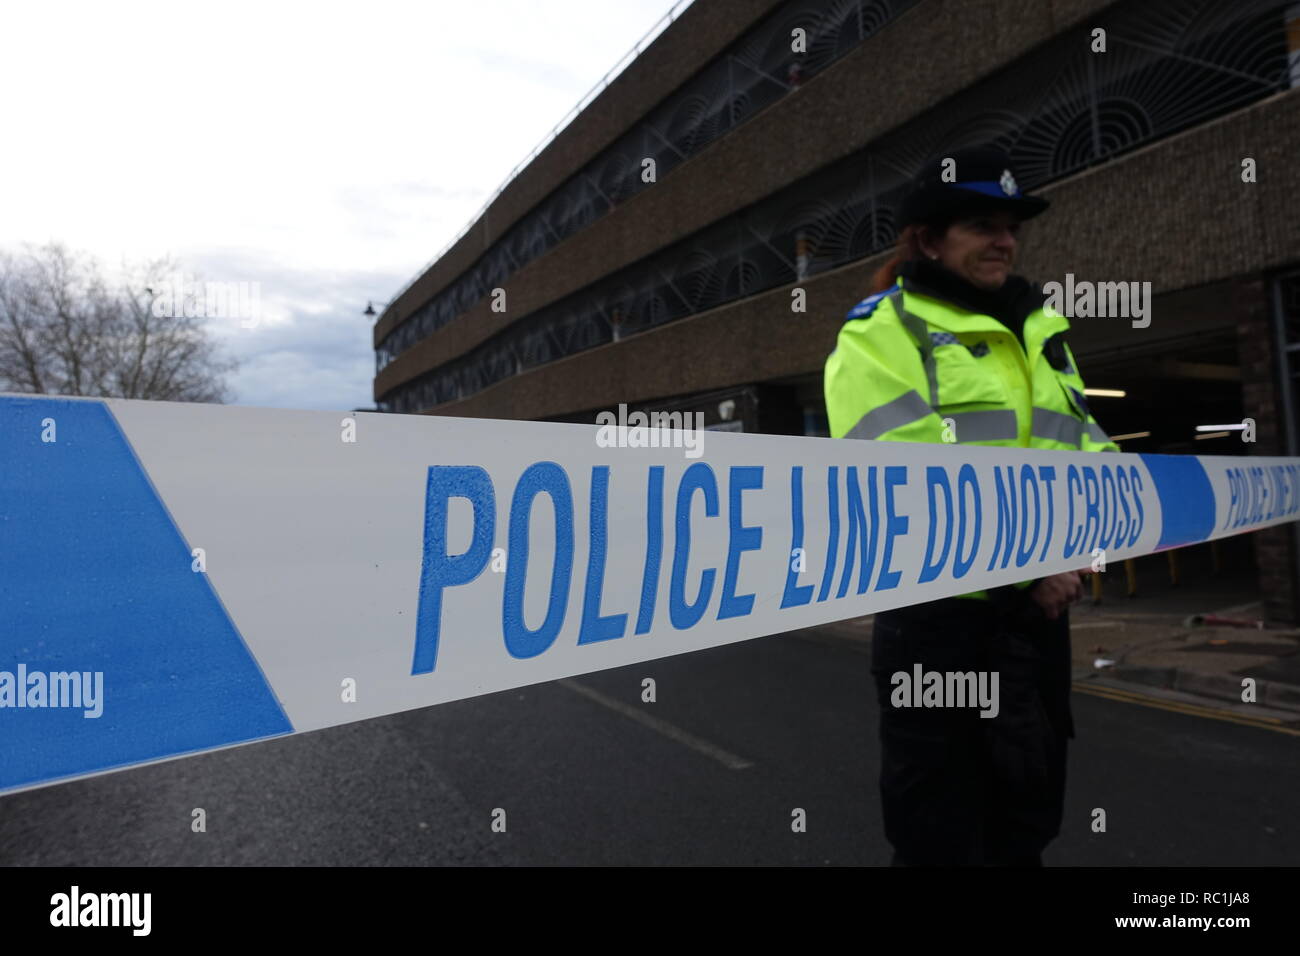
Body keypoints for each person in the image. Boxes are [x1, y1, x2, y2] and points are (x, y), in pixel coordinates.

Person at [823, 145, 1118, 866]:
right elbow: (904, 488)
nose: (1005, 241)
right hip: (940, 626)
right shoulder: (881, 333)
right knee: (942, 840)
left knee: (1026, 825)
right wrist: (1038, 564)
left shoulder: (1040, 329)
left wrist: (1103, 531)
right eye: (981, 225)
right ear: (927, 239)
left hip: (1036, 621)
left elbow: (1087, 446)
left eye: (1011, 226)